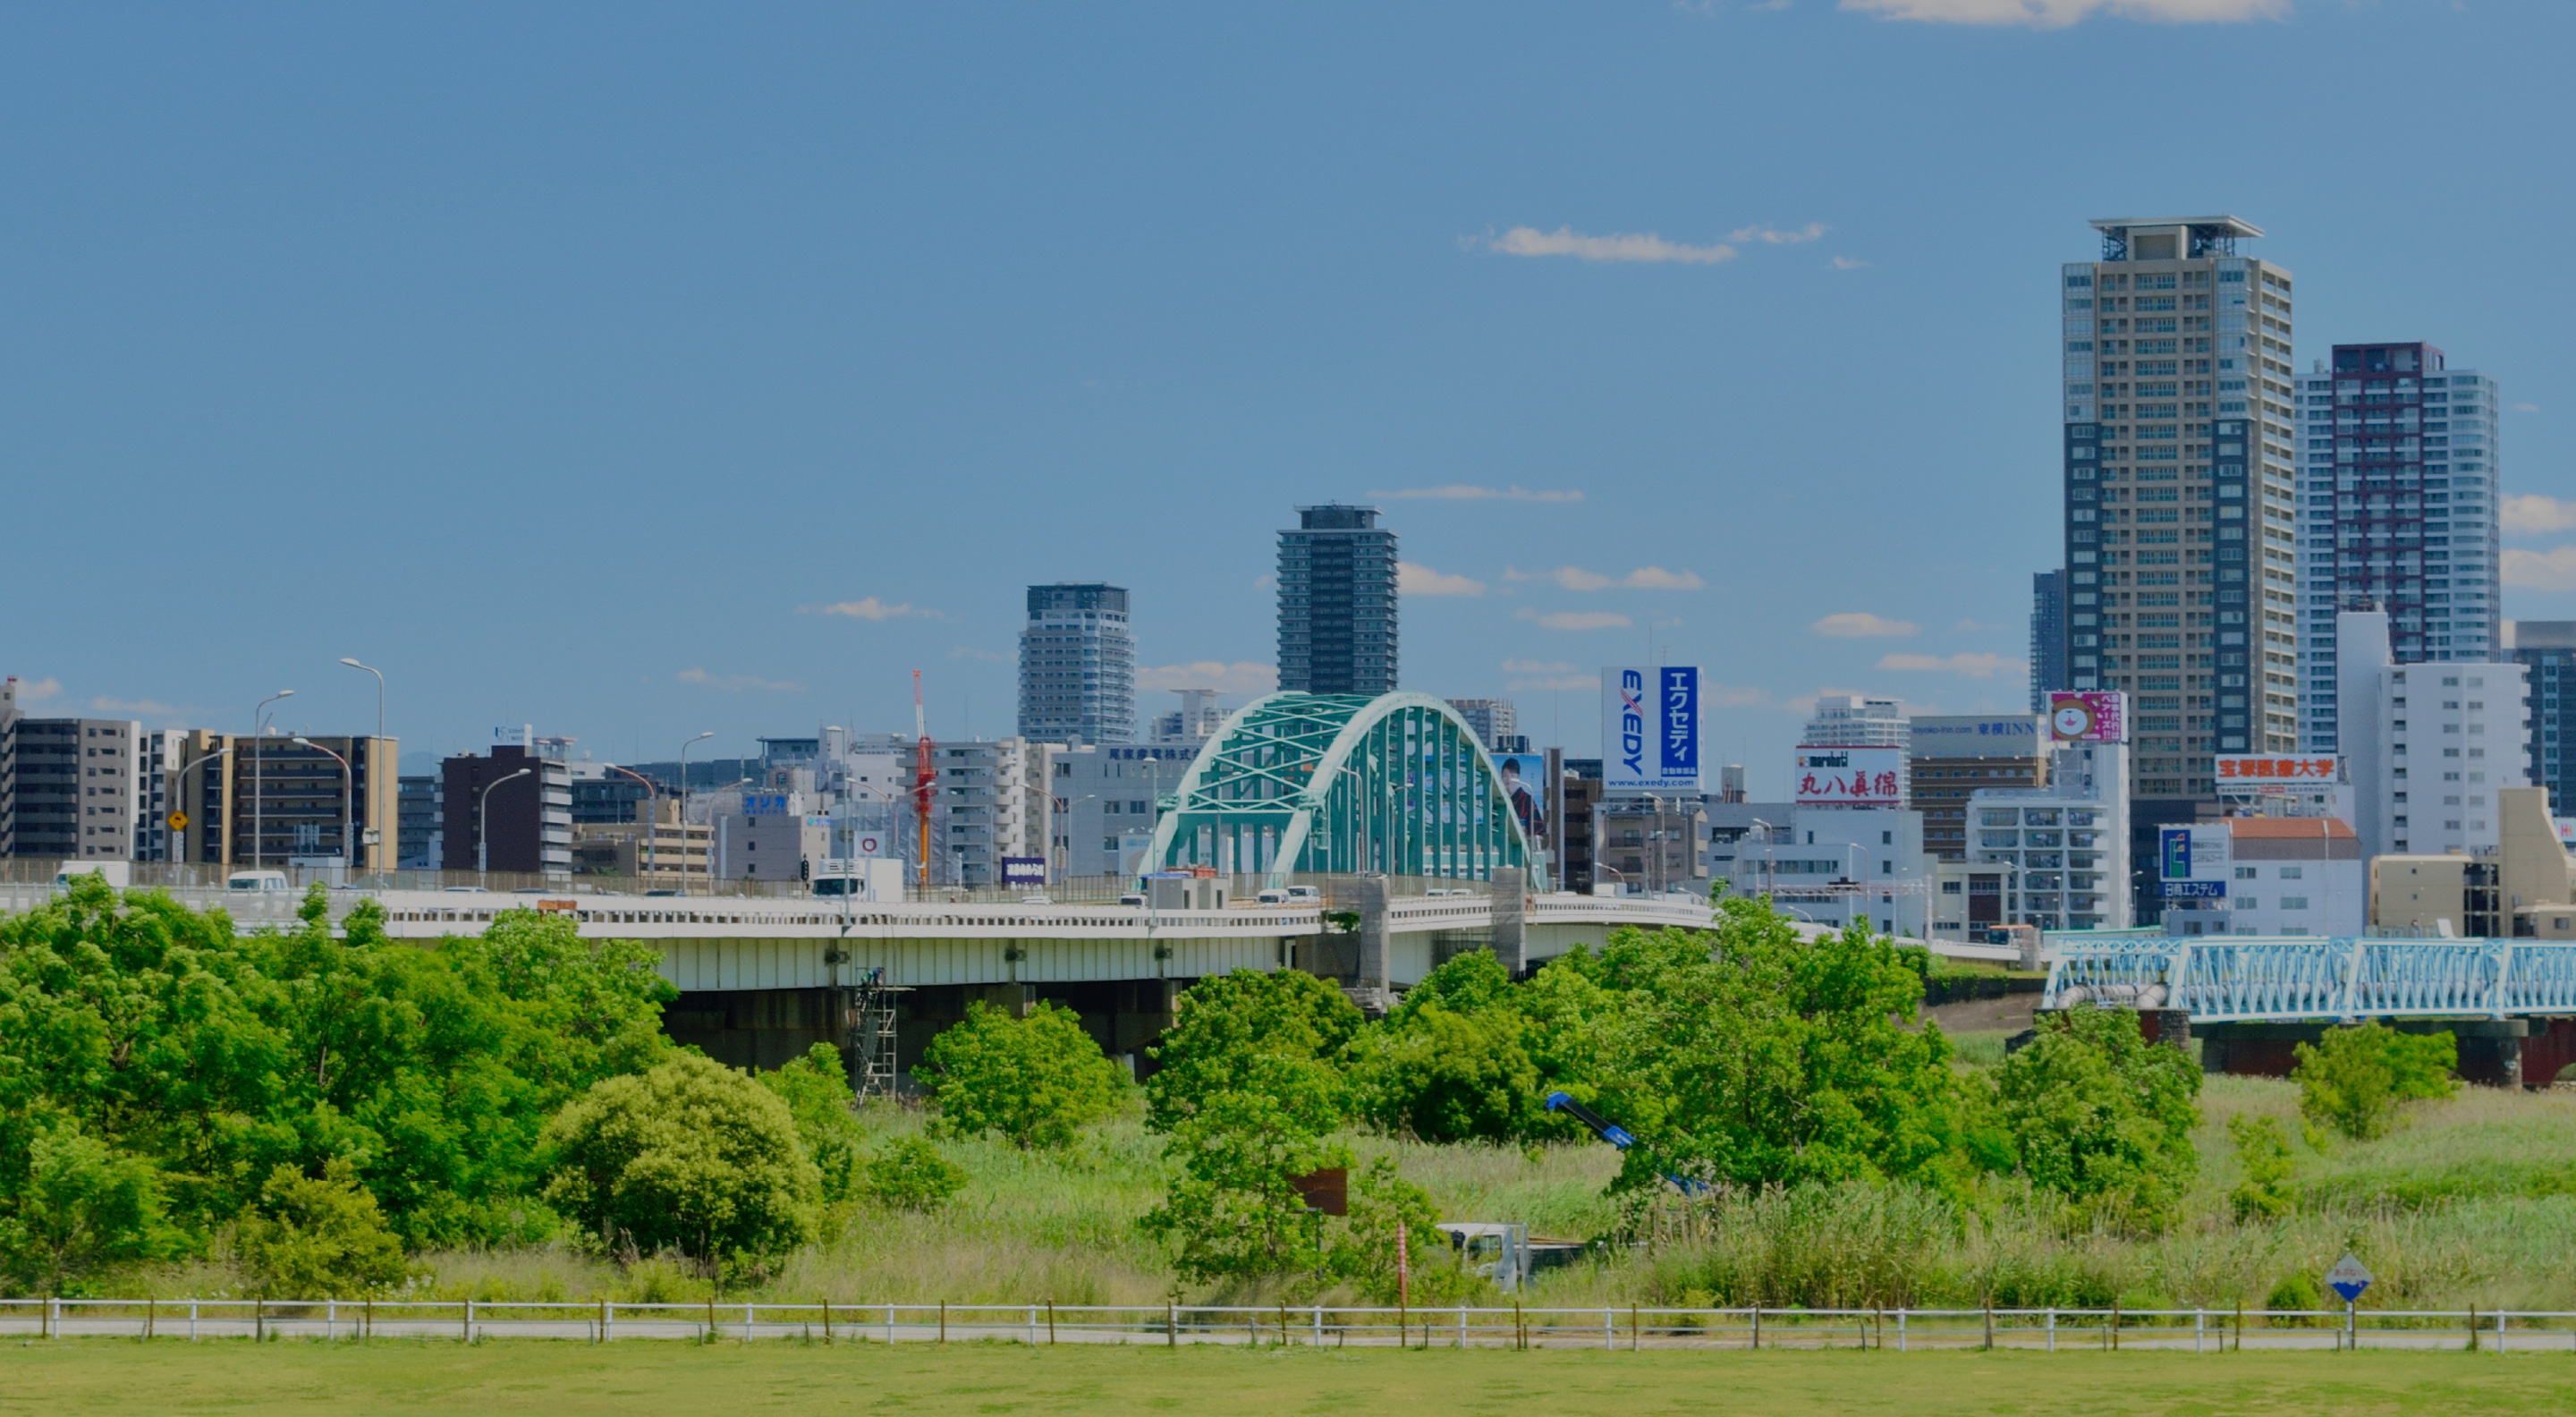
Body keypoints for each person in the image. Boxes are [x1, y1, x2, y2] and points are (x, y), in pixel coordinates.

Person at [1499, 757, 1544, 840]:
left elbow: (1537, 829)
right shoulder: (1499, 800)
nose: (1509, 780)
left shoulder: (1527, 800)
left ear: (1518, 777)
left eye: (1512, 775)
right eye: (1505, 776)